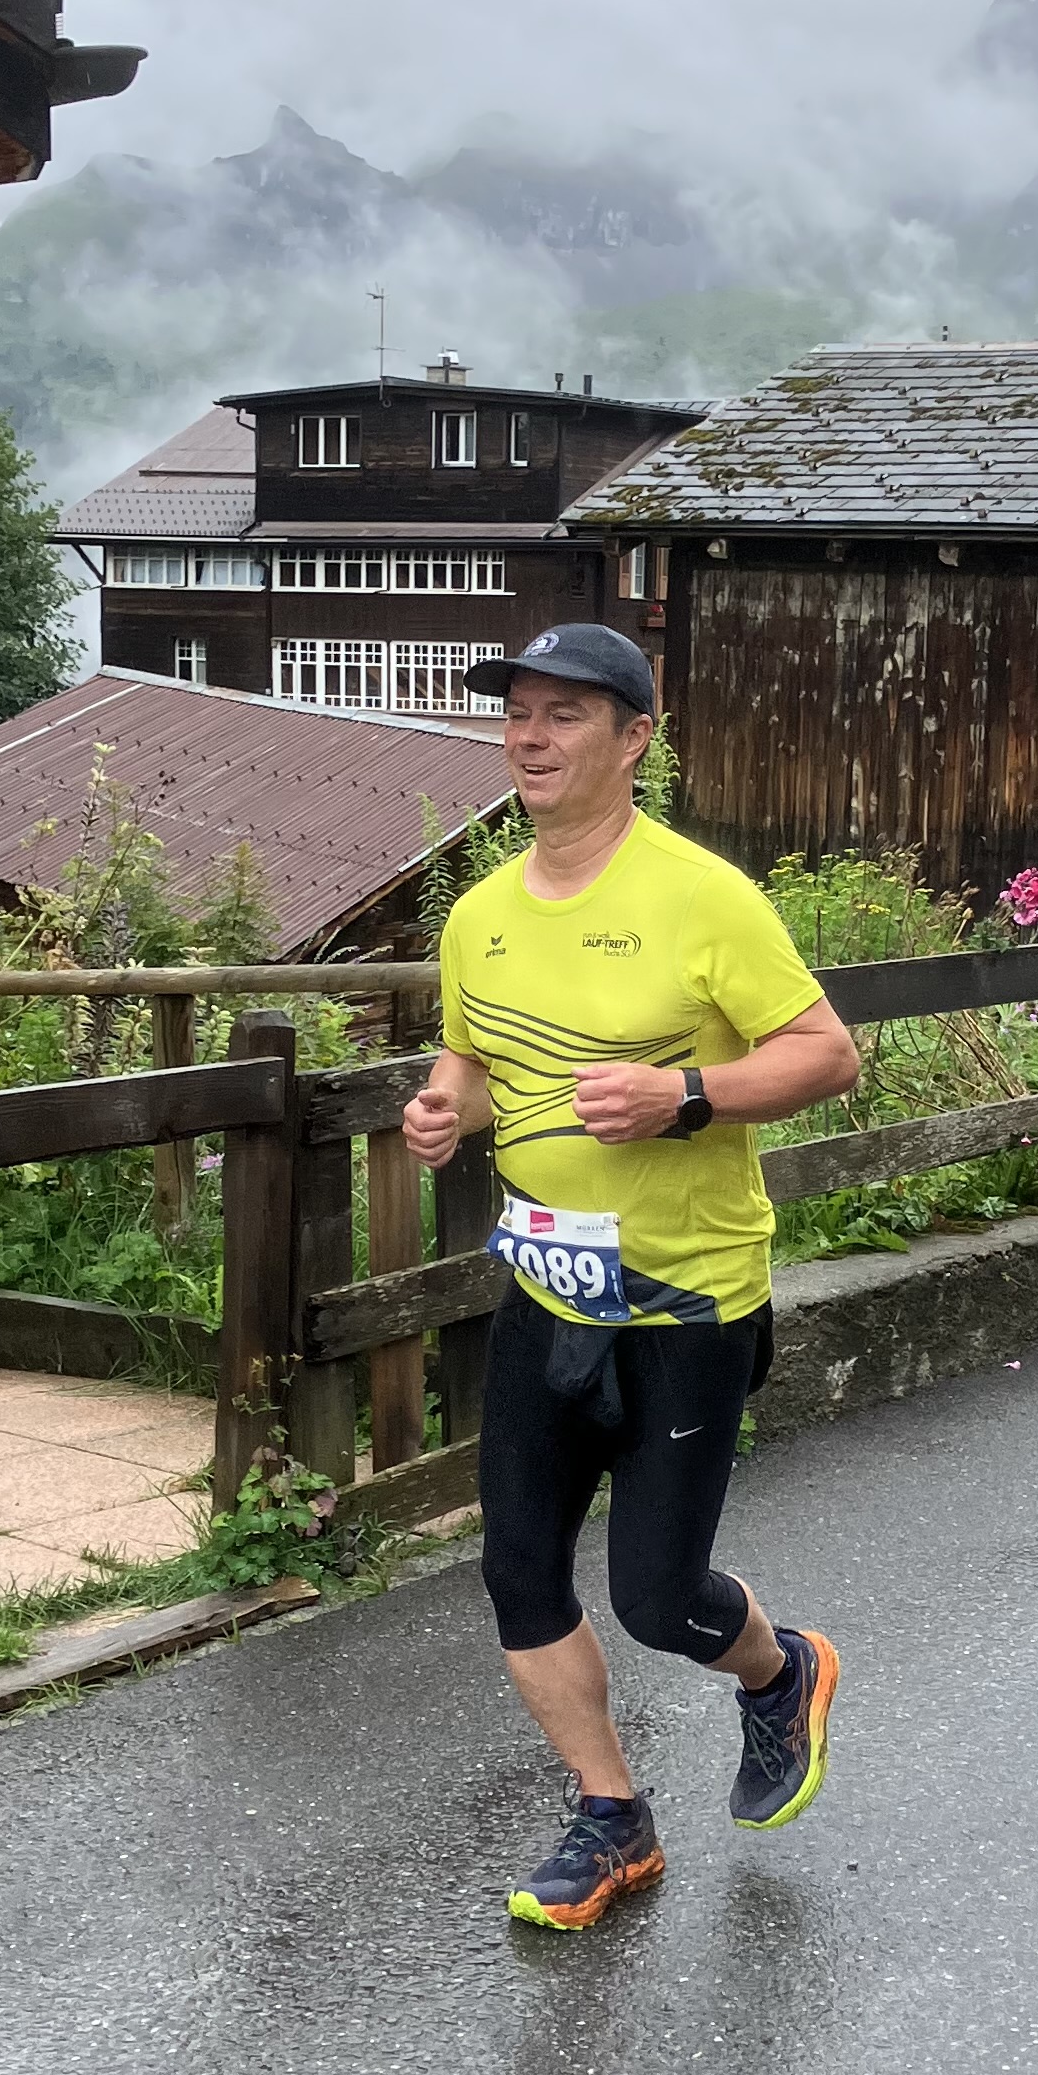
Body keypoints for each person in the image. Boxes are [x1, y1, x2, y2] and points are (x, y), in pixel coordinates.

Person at [402, 621, 861, 1931]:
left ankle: (780, 1673)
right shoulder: (481, 915)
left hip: (686, 1300)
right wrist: (443, 1111)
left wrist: (688, 1094)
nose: (529, 738)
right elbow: (471, 1063)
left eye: (563, 715)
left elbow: (830, 1054)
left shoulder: (702, 897)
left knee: (660, 1596)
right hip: (545, 1290)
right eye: (517, 714)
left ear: (635, 736)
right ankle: (612, 1813)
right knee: (518, 1568)